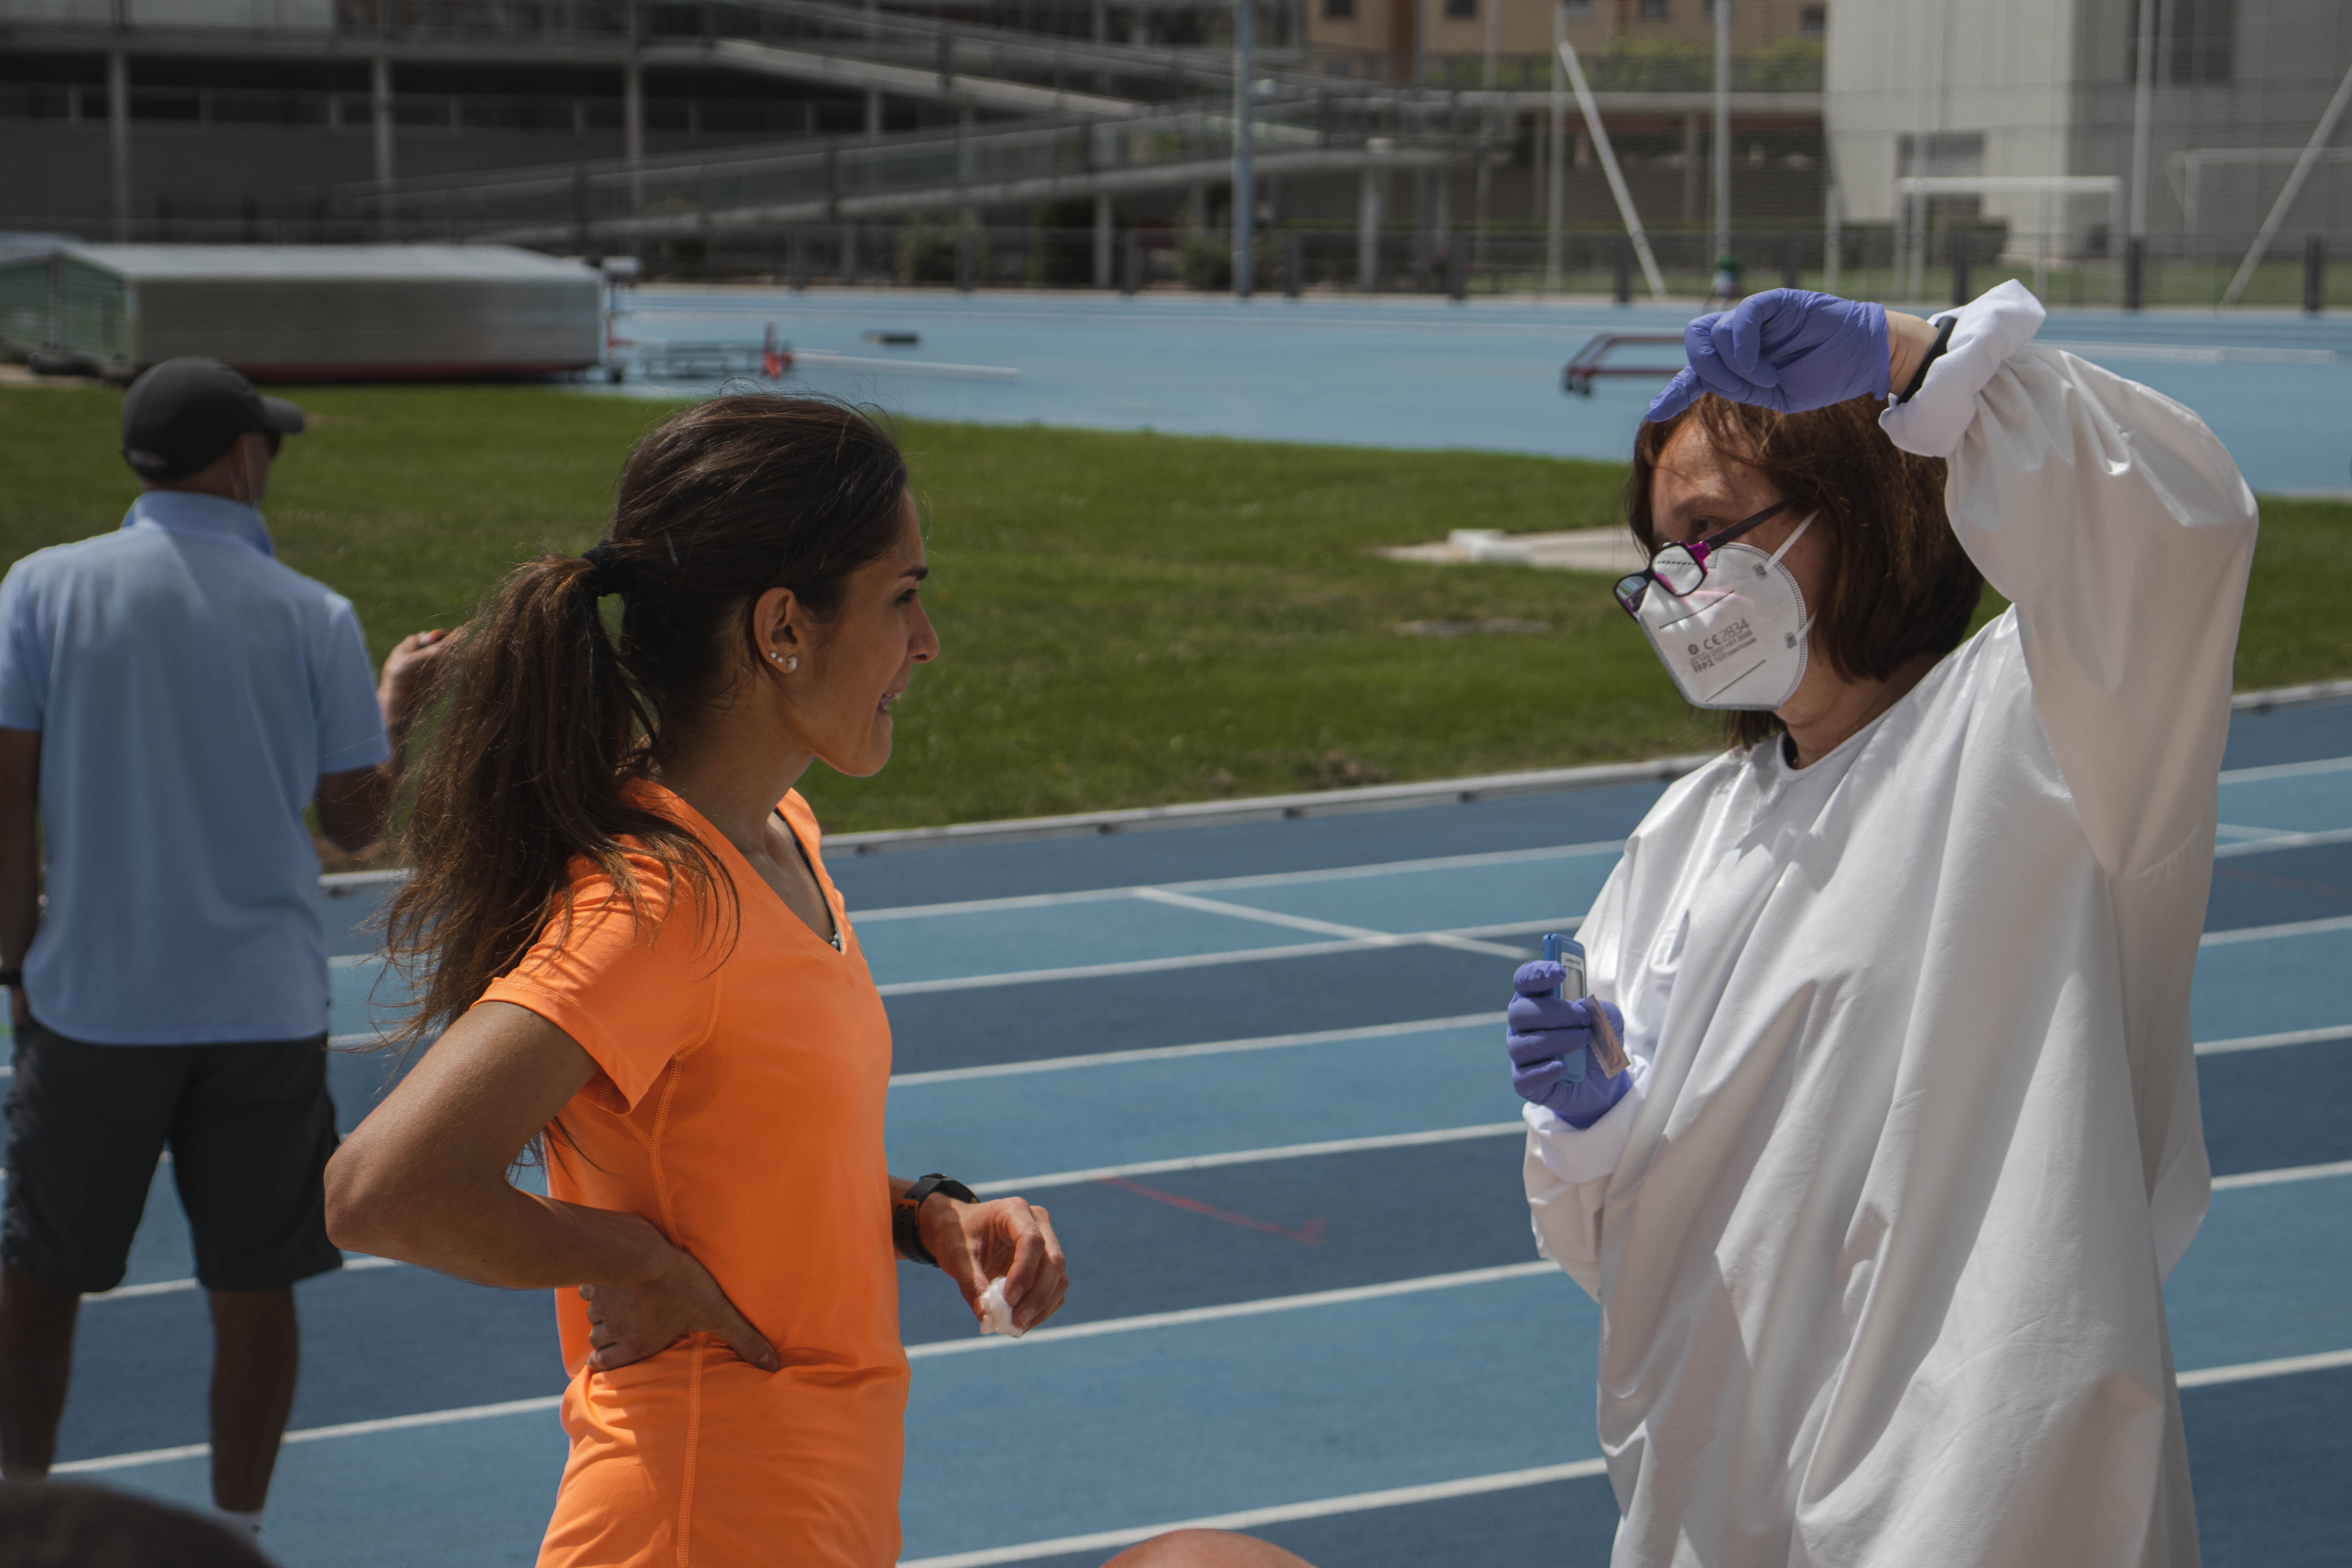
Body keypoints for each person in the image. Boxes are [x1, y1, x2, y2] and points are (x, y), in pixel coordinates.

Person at [1504, 284, 2253, 1565]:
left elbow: (2173, 526)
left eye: (1710, 533)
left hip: (1970, 1501)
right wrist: (1592, 1133)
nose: (1681, 588)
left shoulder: (2043, 739)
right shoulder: (1686, 837)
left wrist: (1917, 363)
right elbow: (1636, 1249)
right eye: (1660, 555)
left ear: (1855, 504)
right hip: (1713, 1500)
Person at [322, 395, 1076, 1568]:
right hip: (698, 1519)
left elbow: (752, 1163)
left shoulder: (779, 835)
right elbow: (380, 1191)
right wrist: (634, 1263)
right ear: (783, 627)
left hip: (807, 1509)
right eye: (902, 597)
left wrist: (925, 1217)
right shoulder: (658, 905)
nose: (927, 643)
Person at [0, 357, 446, 1542]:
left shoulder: (40, 588)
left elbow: (6, 796)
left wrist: (16, 966)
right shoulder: (313, 614)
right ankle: (237, 1537)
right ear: (243, 459)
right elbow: (354, 822)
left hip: (93, 1003)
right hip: (262, 1011)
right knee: (254, 1289)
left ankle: (16, 1521)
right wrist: (400, 704)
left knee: (38, 1283)